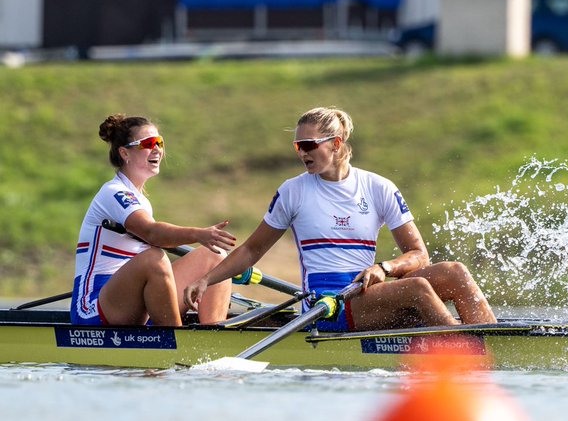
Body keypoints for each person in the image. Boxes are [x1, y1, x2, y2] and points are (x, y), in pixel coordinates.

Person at [184, 106, 495, 331]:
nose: (301, 153)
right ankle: (465, 354)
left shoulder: (379, 187)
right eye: (297, 146)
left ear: (335, 143)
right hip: (327, 307)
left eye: (309, 145)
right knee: (417, 290)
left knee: (455, 272)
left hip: (367, 295)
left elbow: (418, 254)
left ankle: (493, 342)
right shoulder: (293, 191)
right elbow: (252, 250)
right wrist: (206, 279)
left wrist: (384, 268)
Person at [72, 114, 236, 327]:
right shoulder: (113, 192)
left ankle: (213, 338)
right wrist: (198, 234)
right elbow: (153, 233)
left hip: (131, 298)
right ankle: (175, 339)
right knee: (154, 258)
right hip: (93, 308)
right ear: (124, 153)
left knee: (216, 256)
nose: (157, 149)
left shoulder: (141, 201)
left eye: (160, 142)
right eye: (149, 143)